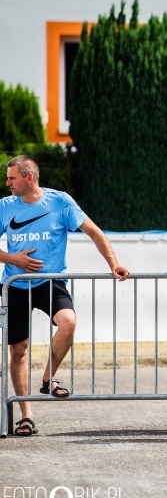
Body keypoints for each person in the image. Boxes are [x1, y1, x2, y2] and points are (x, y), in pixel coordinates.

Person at [0, 155, 129, 436]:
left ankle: (48, 378)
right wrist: (13, 258)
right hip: (15, 284)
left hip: (51, 282)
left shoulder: (60, 202)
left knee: (68, 322)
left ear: (29, 178)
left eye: (12, 178)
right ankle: (26, 415)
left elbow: (94, 232)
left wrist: (113, 263)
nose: (7, 183)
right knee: (18, 350)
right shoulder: (5, 206)